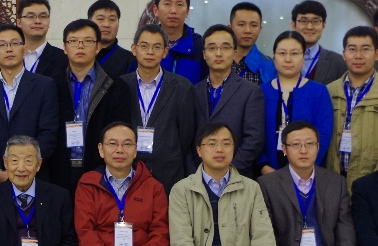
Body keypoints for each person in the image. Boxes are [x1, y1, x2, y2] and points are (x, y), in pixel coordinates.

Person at [52, 19, 134, 195]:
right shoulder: (52, 84)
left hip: (99, 170)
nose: (80, 46)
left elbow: (119, 129)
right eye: (73, 41)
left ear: (98, 47)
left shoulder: (115, 86)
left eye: (87, 41)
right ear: (65, 47)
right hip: (57, 170)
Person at [0, 24, 60, 188]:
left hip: (34, 177)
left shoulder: (45, 86)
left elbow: (48, 133)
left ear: (25, 49)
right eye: (2, 44)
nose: (9, 49)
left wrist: (26, 167)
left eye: (14, 43)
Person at [326, 27, 378, 188]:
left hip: (373, 182)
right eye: (352, 49)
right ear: (344, 54)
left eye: (365, 49)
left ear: (376, 54)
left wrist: (374, 181)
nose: (358, 56)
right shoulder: (329, 91)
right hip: (332, 180)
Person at [121, 24, 196, 193]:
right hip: (128, 171)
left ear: (165, 52)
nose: (150, 52)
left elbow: (186, 136)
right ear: (134, 49)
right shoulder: (121, 85)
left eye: (156, 47)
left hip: (168, 174)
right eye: (144, 46)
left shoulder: (182, 87)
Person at [193, 24, 265, 178]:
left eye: (225, 48)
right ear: (204, 54)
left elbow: (254, 140)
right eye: (212, 48)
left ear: (234, 53)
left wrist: (227, 172)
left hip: (237, 177)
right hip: (198, 178)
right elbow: (187, 139)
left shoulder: (251, 92)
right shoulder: (193, 92)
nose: (218, 53)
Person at [259, 31, 333, 175]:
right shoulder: (261, 92)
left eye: (294, 53)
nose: (288, 59)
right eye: (282, 53)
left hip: (308, 173)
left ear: (303, 56)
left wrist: (304, 168)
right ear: (274, 57)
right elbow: (254, 135)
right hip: (267, 173)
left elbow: (323, 134)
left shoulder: (318, 91)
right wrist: (263, 166)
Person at [150, 0, 204, 83]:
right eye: (167, 4)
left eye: (179, 5)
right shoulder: (146, 44)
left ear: (187, 11)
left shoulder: (199, 45)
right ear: (156, 10)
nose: (173, 11)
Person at [290, 0, 346, 85]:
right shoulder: (279, 60)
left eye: (315, 21)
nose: (309, 27)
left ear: (324, 25)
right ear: (293, 25)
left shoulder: (339, 62)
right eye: (304, 21)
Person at [17, 0, 67, 82]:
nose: (37, 21)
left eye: (43, 16)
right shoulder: (8, 56)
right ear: (19, 23)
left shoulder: (64, 58)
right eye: (30, 16)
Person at [89, 0, 136, 78]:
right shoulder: (78, 55)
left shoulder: (130, 60)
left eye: (112, 20)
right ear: (89, 22)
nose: (106, 24)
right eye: (100, 19)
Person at [228, 2, 272, 85]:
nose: (248, 30)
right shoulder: (218, 60)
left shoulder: (270, 66)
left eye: (254, 25)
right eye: (241, 25)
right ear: (230, 28)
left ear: (260, 29)